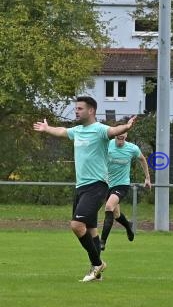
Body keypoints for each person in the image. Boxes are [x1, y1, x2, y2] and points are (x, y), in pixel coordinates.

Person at [33, 96, 136, 282]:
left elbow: (114, 130)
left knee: (76, 225)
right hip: (81, 187)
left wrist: (126, 127)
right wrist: (47, 129)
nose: (76, 111)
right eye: (76, 109)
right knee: (90, 229)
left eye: (80, 108)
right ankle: (98, 274)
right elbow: (62, 131)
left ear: (91, 111)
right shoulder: (77, 131)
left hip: (97, 185)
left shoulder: (100, 130)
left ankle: (97, 264)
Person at [100, 132, 152, 251]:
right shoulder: (107, 144)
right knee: (116, 214)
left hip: (122, 184)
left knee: (108, 207)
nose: (120, 138)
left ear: (126, 136)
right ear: (115, 135)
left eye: (123, 136)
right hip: (107, 184)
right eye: (118, 135)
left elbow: (143, 160)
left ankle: (102, 242)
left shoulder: (132, 148)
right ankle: (129, 226)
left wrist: (147, 178)